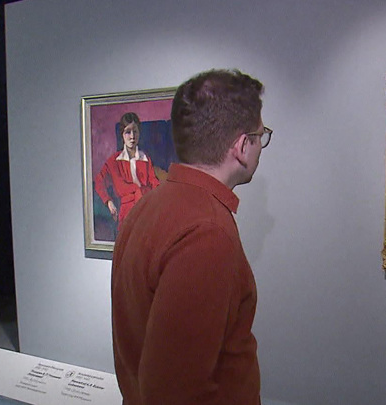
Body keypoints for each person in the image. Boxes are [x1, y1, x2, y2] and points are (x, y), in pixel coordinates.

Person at [111, 69, 272, 404]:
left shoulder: (147, 206)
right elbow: (174, 391)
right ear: (242, 145)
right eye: (260, 135)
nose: (262, 146)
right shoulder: (207, 232)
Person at [94, 112, 160, 231]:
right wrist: (108, 202)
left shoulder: (145, 158)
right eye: (128, 132)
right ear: (122, 135)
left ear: (139, 133)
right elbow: (99, 181)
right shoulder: (114, 161)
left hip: (146, 206)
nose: (132, 136)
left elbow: (154, 182)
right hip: (127, 212)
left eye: (135, 131)